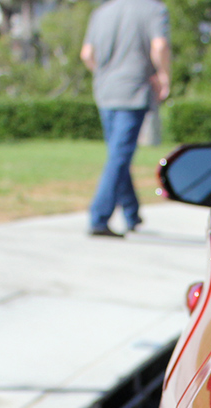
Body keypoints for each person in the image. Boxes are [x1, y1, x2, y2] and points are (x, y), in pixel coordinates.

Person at [81, 0, 171, 237]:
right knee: (119, 157)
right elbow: (159, 46)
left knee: (118, 154)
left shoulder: (101, 12)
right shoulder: (154, 9)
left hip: (105, 90)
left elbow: (87, 54)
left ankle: (132, 213)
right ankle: (99, 218)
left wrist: (103, 74)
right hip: (133, 90)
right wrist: (163, 75)